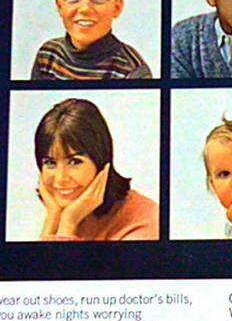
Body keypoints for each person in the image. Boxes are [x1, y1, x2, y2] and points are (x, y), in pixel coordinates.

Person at [34, 98, 158, 240]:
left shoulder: (143, 220)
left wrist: (69, 221)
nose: (61, 178)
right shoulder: (65, 209)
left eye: (74, 162)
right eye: (50, 163)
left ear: (100, 162)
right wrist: (53, 218)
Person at [30, 0, 151, 81]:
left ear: (117, 8)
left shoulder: (133, 72)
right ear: (59, 7)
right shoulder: (47, 56)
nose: (85, 9)